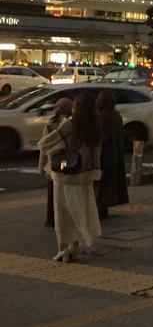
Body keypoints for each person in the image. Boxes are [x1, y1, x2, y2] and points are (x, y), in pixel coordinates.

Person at [38, 91, 103, 262]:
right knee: (80, 212)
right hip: (86, 176)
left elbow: (46, 144)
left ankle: (63, 250)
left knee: (63, 215)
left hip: (66, 176)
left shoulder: (69, 125)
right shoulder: (95, 125)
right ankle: (74, 247)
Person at [94, 90, 129, 220]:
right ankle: (106, 207)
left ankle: (100, 208)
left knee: (102, 183)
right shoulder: (116, 116)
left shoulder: (100, 117)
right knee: (112, 181)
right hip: (115, 153)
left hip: (105, 154)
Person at [41, 97, 73, 228]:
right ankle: (67, 218)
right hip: (70, 162)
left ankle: (51, 219)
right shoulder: (73, 125)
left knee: (52, 193)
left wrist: (42, 166)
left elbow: (43, 148)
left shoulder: (50, 126)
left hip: (52, 164)